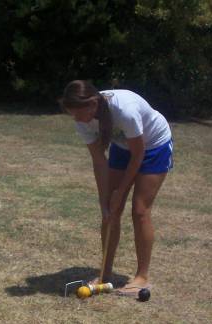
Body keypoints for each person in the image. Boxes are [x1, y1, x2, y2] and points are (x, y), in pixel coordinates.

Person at [59, 80, 173, 295]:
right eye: (72, 114)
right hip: (122, 147)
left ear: (93, 104)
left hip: (153, 145)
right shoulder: (82, 120)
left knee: (140, 210)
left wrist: (120, 192)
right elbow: (99, 160)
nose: (76, 119)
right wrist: (104, 200)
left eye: (78, 113)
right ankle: (105, 273)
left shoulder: (124, 110)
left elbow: (138, 154)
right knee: (110, 212)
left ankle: (142, 277)